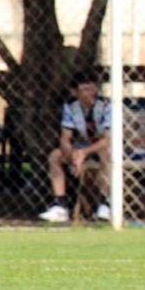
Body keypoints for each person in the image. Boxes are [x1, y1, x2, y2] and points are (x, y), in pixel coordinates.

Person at [38, 71, 111, 223]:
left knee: (106, 153)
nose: (89, 94)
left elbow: (107, 139)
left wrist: (83, 153)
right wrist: (72, 154)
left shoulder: (106, 105)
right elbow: (65, 137)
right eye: (84, 90)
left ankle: (105, 204)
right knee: (55, 156)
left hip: (100, 145)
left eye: (91, 89)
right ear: (74, 92)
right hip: (81, 145)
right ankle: (60, 205)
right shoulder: (71, 106)